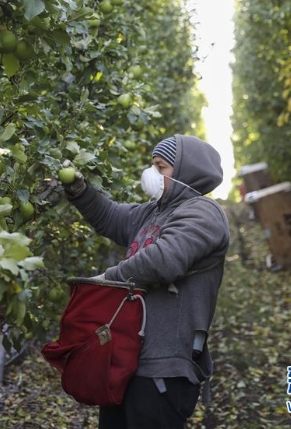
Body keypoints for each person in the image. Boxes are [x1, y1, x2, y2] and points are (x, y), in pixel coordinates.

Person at [61, 134, 230, 429]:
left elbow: (165, 259)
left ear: (185, 172)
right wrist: (79, 190)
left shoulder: (203, 213)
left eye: (161, 167)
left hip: (164, 366)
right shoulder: (152, 212)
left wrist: (109, 278)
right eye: (152, 165)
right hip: (127, 359)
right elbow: (110, 216)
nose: (151, 174)